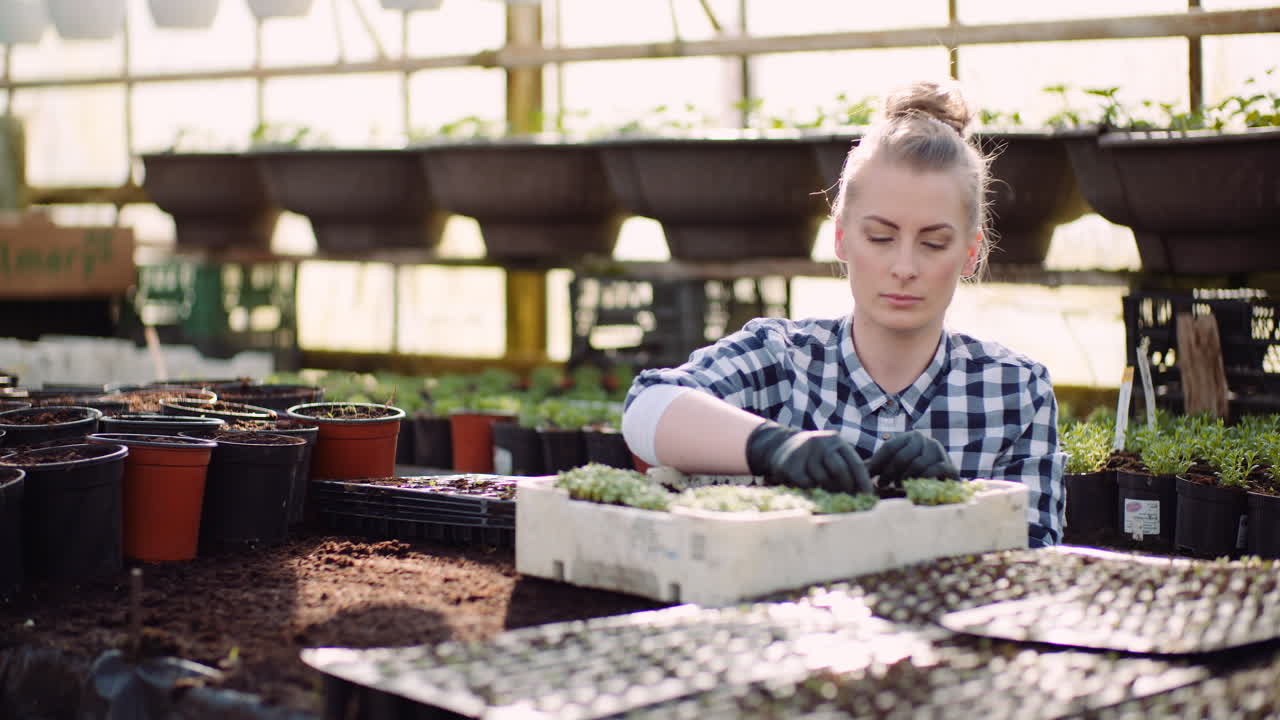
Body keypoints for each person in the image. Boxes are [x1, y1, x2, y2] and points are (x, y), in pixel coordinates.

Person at [620, 80, 1066, 548]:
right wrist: (777, 446)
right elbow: (647, 409)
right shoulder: (782, 361)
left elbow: (1036, 555)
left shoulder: (1014, 392)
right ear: (841, 237)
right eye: (880, 237)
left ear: (971, 253)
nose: (904, 267)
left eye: (934, 243)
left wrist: (958, 506)